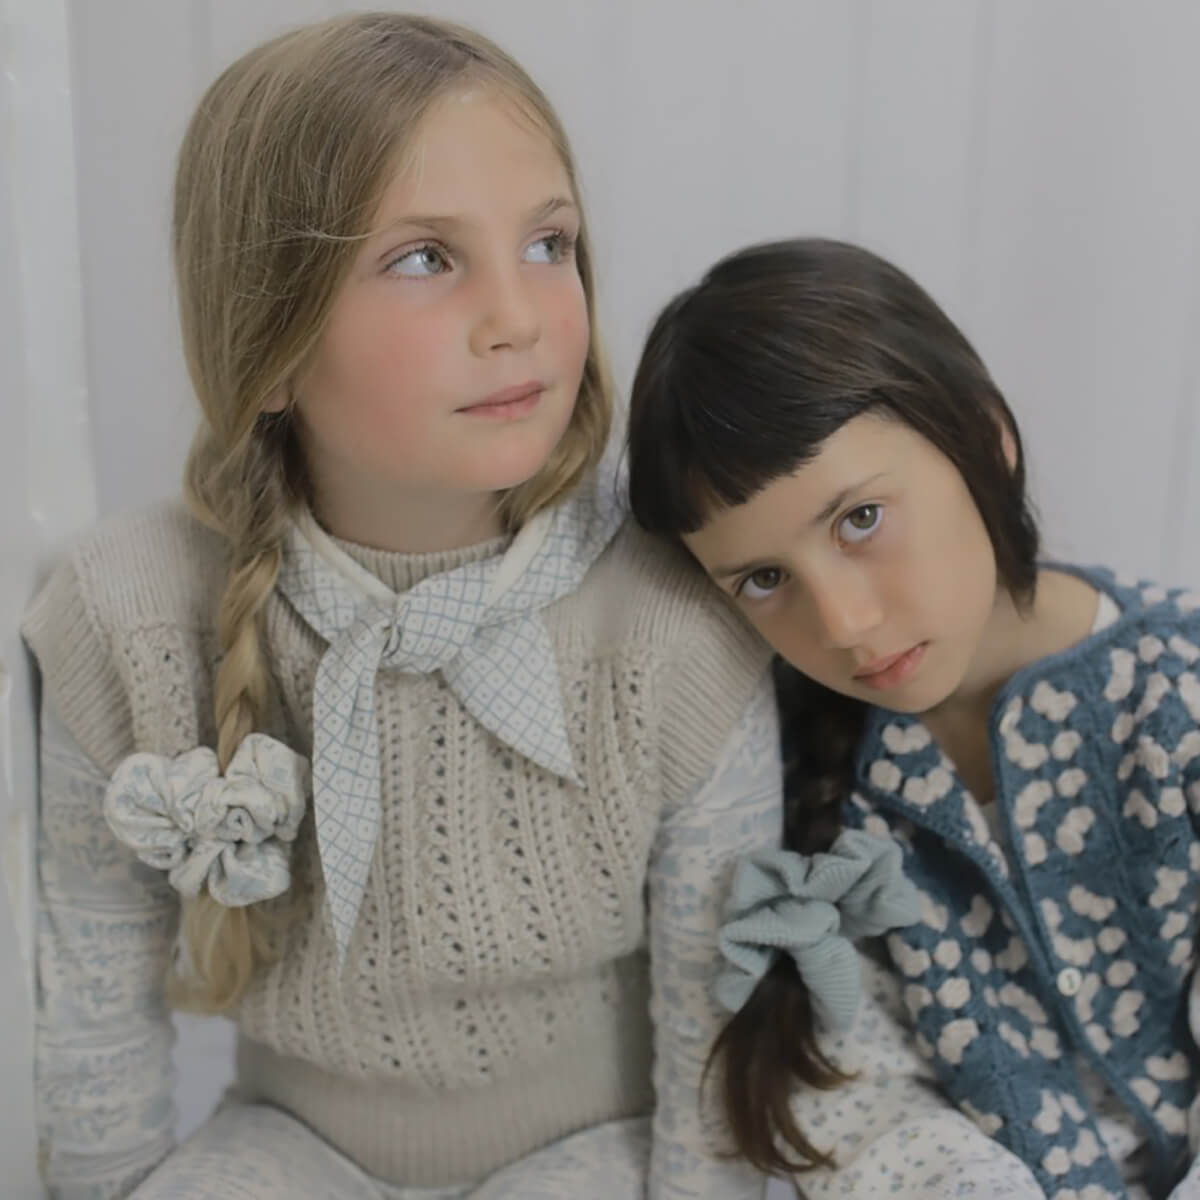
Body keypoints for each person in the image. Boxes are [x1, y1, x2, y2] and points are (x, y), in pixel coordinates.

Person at [21, 14, 783, 1199]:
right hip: (293, 1144)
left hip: (597, 1151)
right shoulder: (130, 611)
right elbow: (91, 1024)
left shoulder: (668, 611)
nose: (518, 316)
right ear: (269, 346)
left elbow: (718, 1035)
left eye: (549, 243)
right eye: (426, 258)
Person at [626, 237, 1200, 1200]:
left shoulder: (1178, 697)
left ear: (984, 437)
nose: (843, 624)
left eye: (860, 520)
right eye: (763, 579)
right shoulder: (783, 778)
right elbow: (861, 1103)